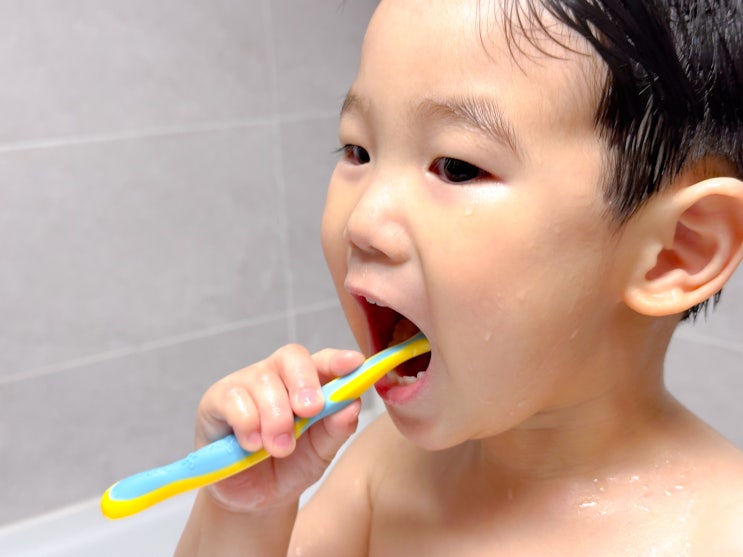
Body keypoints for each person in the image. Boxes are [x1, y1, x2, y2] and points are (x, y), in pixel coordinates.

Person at [175, 1, 743, 554]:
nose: (362, 223)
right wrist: (242, 515)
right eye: (358, 150)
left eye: (458, 167)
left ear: (676, 250)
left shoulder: (722, 533)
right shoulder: (386, 472)